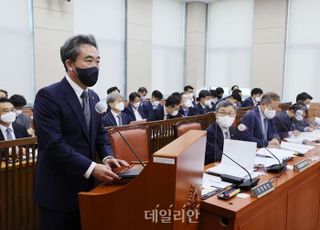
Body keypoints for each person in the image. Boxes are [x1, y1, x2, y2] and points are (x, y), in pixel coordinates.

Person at [33, 34, 129, 230]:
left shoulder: (93, 96)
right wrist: (92, 167)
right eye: (88, 60)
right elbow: (53, 144)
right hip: (58, 191)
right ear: (70, 64)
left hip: (89, 187)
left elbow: (100, 133)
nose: (95, 66)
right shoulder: (48, 96)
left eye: (98, 61)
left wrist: (107, 157)